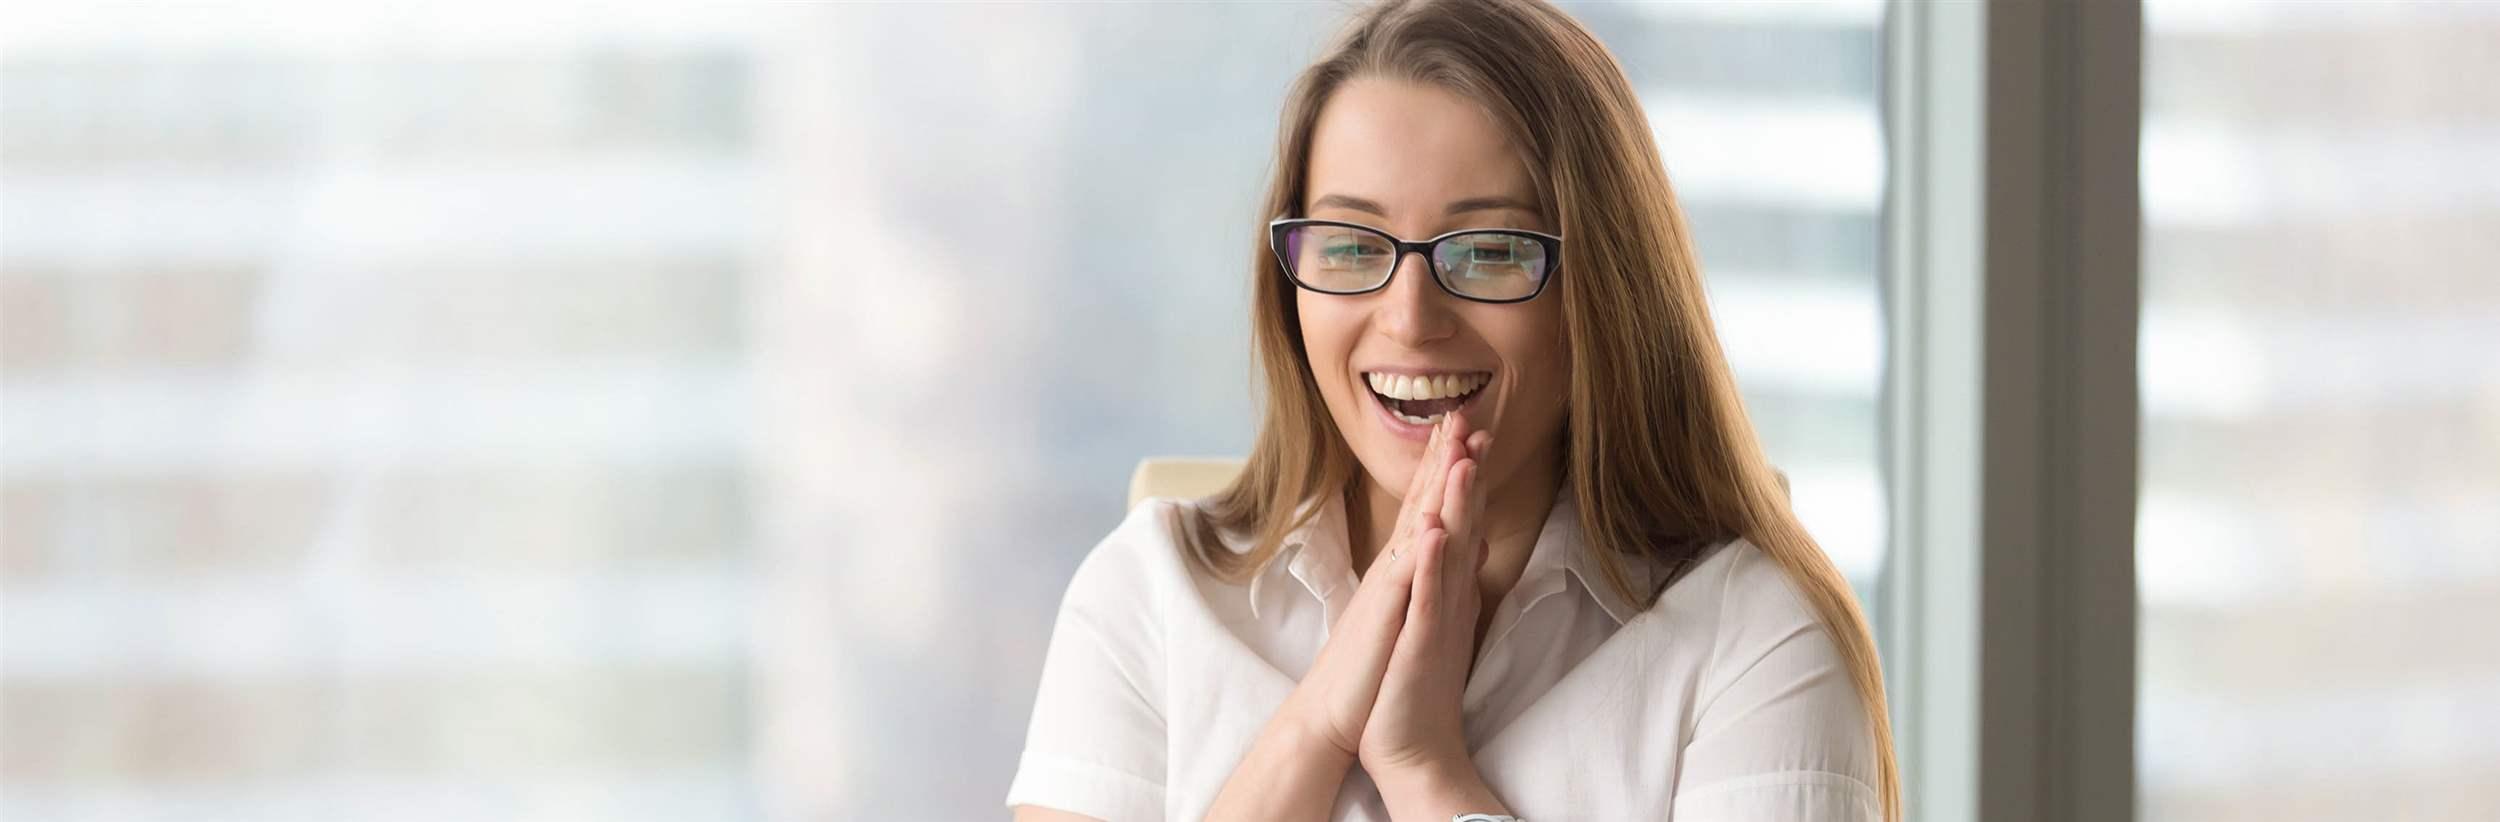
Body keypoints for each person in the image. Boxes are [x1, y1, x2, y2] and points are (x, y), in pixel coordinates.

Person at [1007, 1, 1897, 819]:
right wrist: (1314, 728)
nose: (1410, 318)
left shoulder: (1756, 642)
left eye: (1490, 250)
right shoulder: (1151, 594)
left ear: (1602, 290)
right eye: (1353, 245)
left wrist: (1429, 772)